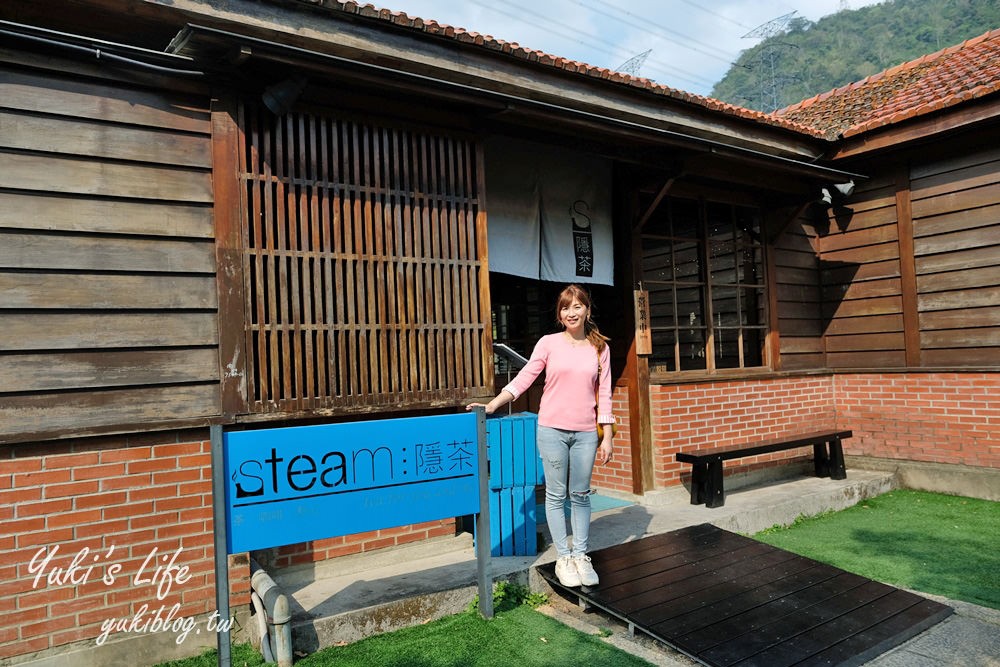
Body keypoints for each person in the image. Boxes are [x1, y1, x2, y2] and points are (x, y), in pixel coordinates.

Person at [467, 284, 614, 587]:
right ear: (560, 315)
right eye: (565, 307)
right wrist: (493, 403)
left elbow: (605, 393)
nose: (571, 312)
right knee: (556, 495)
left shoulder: (600, 348)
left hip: (586, 432)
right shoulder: (548, 343)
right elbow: (525, 378)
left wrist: (607, 435)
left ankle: (581, 555)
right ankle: (563, 556)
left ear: (587, 309)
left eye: (576, 306)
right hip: (551, 430)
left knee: (581, 495)